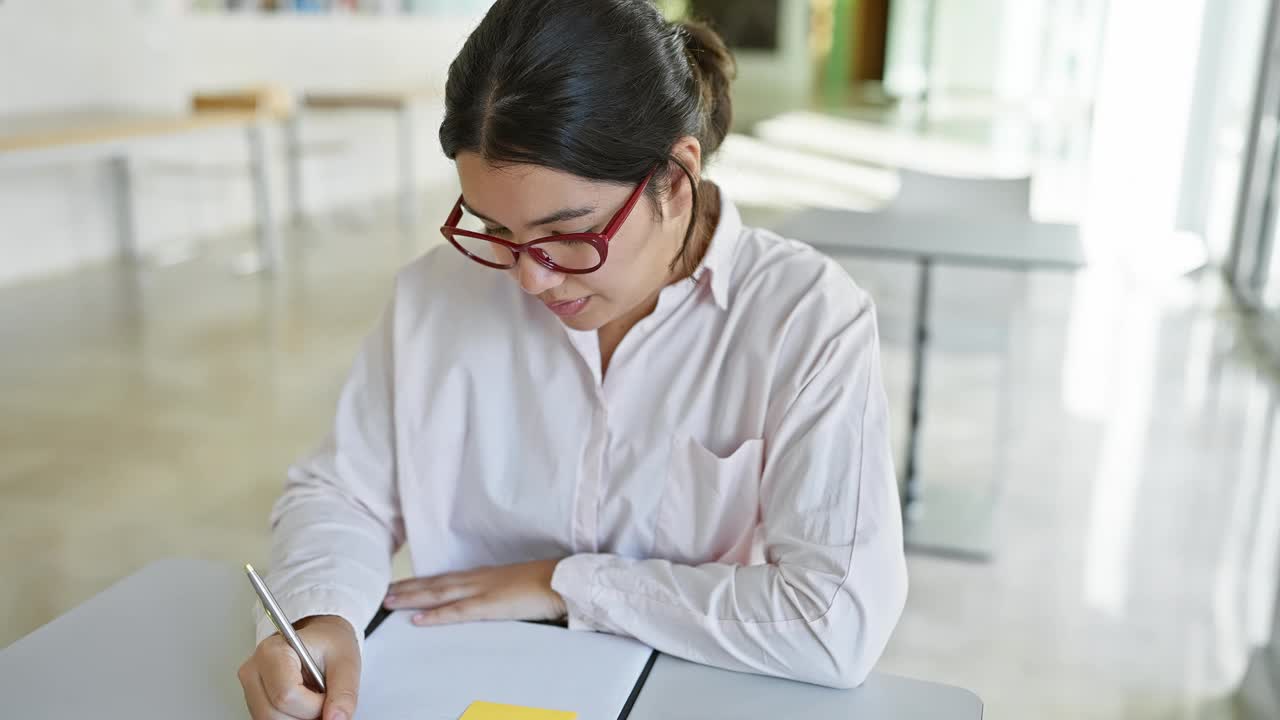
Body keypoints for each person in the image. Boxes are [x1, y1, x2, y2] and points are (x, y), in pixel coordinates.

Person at [237, 1, 907, 718]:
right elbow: (344, 493)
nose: (531, 278)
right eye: (496, 230)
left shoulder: (805, 318)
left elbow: (835, 619)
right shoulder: (437, 296)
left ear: (675, 182)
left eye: (568, 234)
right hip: (471, 684)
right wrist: (318, 616)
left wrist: (566, 584)